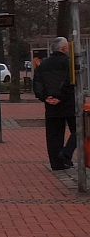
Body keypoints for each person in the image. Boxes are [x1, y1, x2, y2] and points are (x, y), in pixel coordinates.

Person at [32, 36, 77, 170]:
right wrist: (61, 97)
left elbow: (37, 83)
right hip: (68, 104)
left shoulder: (43, 64)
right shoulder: (69, 63)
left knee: (53, 135)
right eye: (67, 48)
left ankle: (56, 164)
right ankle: (66, 153)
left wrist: (45, 97)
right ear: (63, 49)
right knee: (79, 130)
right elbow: (70, 82)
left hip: (50, 106)